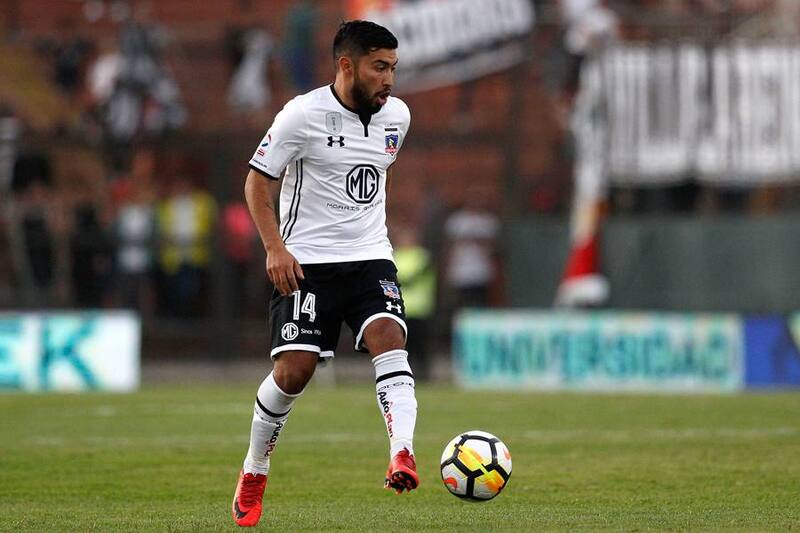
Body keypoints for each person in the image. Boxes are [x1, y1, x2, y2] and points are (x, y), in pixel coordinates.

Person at [232, 21, 418, 527]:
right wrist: (275, 248)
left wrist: (371, 230)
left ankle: (402, 453)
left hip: (370, 257)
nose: (389, 79)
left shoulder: (397, 116)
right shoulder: (302, 115)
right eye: (379, 67)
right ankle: (255, 468)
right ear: (346, 65)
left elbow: (378, 177)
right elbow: (256, 183)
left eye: (393, 68)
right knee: (295, 372)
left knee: (390, 338)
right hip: (306, 262)